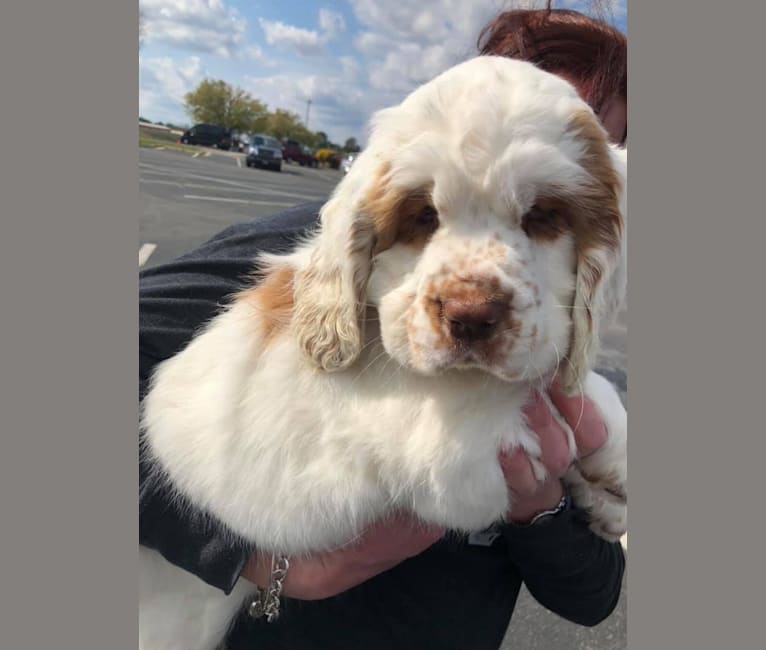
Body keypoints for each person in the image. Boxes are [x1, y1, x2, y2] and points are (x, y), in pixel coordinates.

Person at [139, 5, 627, 649]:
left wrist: (544, 508)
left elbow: (593, 597)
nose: (475, 296)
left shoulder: (562, 325)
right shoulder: (312, 248)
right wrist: (252, 561)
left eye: (542, 217)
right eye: (425, 219)